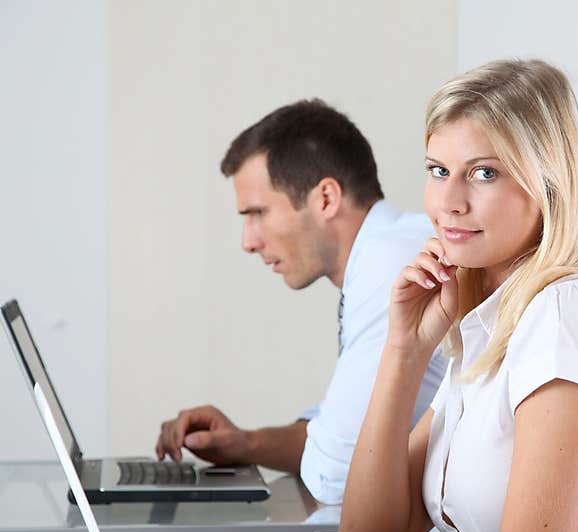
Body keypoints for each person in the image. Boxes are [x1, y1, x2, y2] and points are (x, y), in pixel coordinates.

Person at [145, 59, 578, 532]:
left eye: (484, 173)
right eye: (437, 171)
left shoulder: (569, 313)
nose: (449, 202)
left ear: (550, 183)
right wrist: (404, 351)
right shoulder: (487, 326)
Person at [154, 99, 447, 506]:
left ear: (326, 198)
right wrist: (246, 444)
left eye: (258, 213)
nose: (248, 242)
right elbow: (340, 437)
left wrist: (323, 446)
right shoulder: (384, 251)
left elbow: (337, 474)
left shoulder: (391, 264)